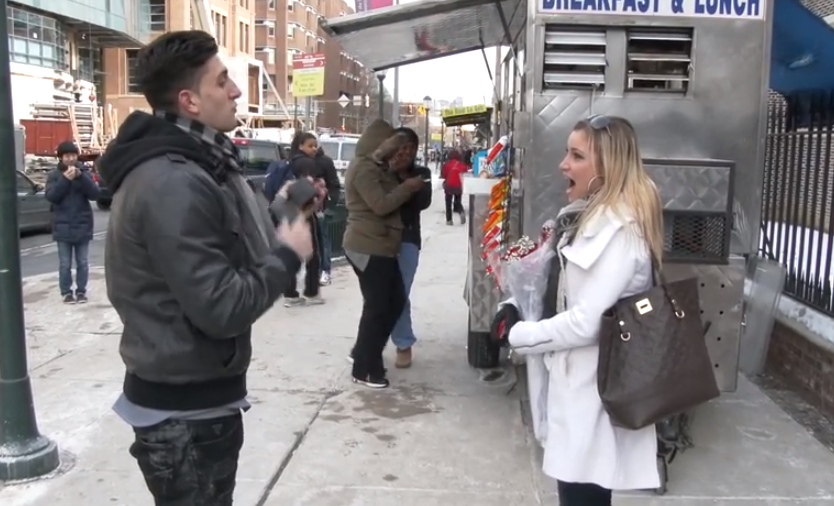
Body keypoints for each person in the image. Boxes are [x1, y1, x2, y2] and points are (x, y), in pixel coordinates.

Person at [96, 30, 313, 506]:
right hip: (184, 418)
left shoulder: (206, 161)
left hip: (199, 402)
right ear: (189, 101)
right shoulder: (174, 179)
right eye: (223, 81)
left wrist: (284, 212)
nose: (236, 90)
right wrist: (288, 255)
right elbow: (221, 307)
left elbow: (232, 238)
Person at [492, 115, 664, 505]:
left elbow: (587, 322)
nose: (563, 164)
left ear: (608, 166)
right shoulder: (590, 218)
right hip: (577, 387)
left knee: (583, 494)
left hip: (598, 391)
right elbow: (559, 288)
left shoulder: (621, 231)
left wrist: (519, 336)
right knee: (576, 489)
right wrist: (513, 305)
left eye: (576, 155)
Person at [343, 119, 424, 388]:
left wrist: (401, 176)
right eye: (394, 145)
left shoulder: (379, 168)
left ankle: (367, 358)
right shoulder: (364, 169)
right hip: (367, 246)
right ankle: (364, 368)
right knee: (378, 308)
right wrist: (407, 187)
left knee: (391, 303)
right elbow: (380, 204)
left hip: (380, 247)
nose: (399, 152)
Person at [389, 127, 432, 368]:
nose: (404, 152)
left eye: (410, 148)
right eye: (400, 146)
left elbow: (422, 201)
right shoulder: (381, 171)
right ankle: (369, 342)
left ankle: (403, 343)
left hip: (407, 239)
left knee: (400, 292)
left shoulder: (422, 172)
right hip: (379, 239)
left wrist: (403, 180)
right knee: (376, 295)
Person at [44, 141, 100, 304]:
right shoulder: (54, 175)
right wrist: (65, 180)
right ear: (61, 158)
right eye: (67, 156)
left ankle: (81, 291)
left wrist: (81, 177)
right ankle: (66, 292)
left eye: (73, 156)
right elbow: (51, 197)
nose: (70, 159)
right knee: (65, 263)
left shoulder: (84, 172)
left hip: (82, 224)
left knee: (83, 262)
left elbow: (95, 194)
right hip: (62, 225)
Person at [281, 132, 326, 307]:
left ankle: (289, 293)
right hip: (304, 213)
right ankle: (312, 292)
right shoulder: (307, 163)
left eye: (315, 145)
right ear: (300, 146)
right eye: (310, 145)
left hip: (286, 212)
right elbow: (310, 189)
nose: (314, 149)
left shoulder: (288, 161)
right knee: (313, 254)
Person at [314, 146, 341, 286]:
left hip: (321, 208)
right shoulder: (301, 161)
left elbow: (335, 184)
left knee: (323, 239)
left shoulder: (324, 162)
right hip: (306, 208)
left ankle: (325, 271)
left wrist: (330, 207)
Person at [440, 149, 468, 225]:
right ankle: (461, 211)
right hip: (459, 185)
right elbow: (465, 173)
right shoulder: (461, 165)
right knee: (457, 201)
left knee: (448, 203)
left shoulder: (447, 165)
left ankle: (449, 220)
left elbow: (443, 175)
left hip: (449, 185)